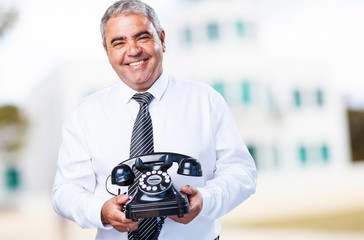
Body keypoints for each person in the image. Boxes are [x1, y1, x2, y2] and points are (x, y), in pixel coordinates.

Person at [51, 0, 257, 239]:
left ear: (162, 39)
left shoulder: (206, 100)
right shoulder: (83, 115)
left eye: (143, 37)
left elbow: (242, 172)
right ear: (107, 52)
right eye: (119, 42)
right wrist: (101, 211)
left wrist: (206, 200)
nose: (133, 50)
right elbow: (65, 191)